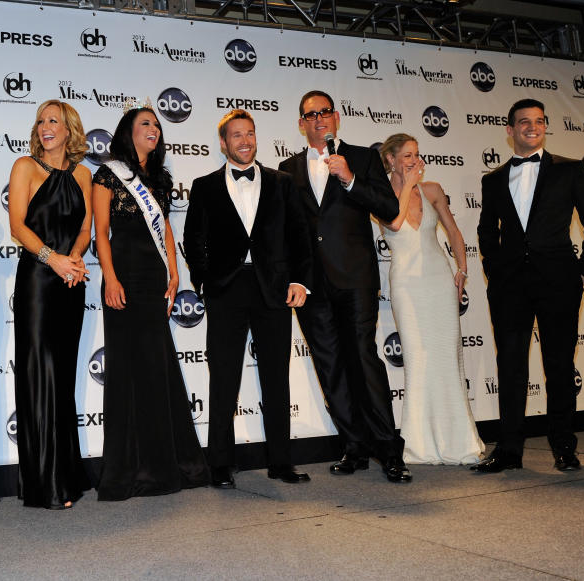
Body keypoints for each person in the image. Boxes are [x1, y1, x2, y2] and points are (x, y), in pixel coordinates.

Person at [278, 90, 411, 482]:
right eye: (310, 115)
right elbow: (287, 231)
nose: (318, 119)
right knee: (330, 367)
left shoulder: (363, 158)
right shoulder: (287, 168)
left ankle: (389, 450)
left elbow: (389, 210)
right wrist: (291, 278)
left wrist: (350, 179)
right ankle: (353, 446)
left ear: (336, 118)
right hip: (311, 287)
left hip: (355, 280)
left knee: (364, 360)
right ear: (301, 124)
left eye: (324, 112)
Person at [475, 98, 584, 473]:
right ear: (510, 130)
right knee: (511, 366)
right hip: (510, 286)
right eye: (523, 122)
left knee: (560, 365)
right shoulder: (493, 180)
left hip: (559, 281)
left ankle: (564, 446)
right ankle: (509, 451)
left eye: (538, 121)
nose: (532, 127)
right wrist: (494, 269)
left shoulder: (570, 171)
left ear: (545, 126)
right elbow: (487, 232)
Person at [183, 109, 312, 488]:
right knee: (223, 377)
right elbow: (194, 240)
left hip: (273, 287)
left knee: (276, 377)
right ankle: (220, 464)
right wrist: (205, 282)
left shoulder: (282, 183)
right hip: (227, 288)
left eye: (250, 134)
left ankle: (281, 462)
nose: (245, 141)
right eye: (237, 135)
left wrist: (300, 281)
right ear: (223, 143)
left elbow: (299, 235)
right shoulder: (204, 185)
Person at [92, 101, 210, 500]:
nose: (154, 129)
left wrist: (175, 272)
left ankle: (165, 464)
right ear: (128, 131)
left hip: (155, 278)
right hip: (122, 279)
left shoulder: (159, 179)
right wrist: (109, 277)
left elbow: (167, 231)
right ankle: (129, 469)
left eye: (157, 125)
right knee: (126, 370)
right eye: (146, 123)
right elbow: (101, 232)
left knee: (157, 367)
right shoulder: (108, 174)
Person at [378, 133, 484, 465]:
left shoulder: (433, 190)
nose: (414, 161)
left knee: (446, 359)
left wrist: (462, 270)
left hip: (439, 280)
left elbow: (453, 230)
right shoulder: (379, 194)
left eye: (416, 155)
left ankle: (459, 441)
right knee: (419, 360)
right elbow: (393, 222)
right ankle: (419, 443)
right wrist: (408, 184)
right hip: (407, 286)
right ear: (391, 159)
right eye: (406, 155)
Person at [8, 99, 93, 508]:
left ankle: (67, 475)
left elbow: (85, 230)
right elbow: (18, 227)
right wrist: (53, 259)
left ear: (69, 129)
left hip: (72, 282)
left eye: (53, 121)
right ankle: (45, 483)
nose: (45, 127)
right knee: (39, 375)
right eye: (41, 121)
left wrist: (75, 257)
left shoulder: (83, 174)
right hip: (39, 282)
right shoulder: (25, 167)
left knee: (62, 376)